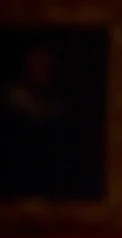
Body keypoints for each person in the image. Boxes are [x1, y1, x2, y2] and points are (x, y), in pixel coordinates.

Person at [0, 45, 70, 200]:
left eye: (47, 66)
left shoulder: (58, 108)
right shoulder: (11, 106)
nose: (43, 71)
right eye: (37, 66)